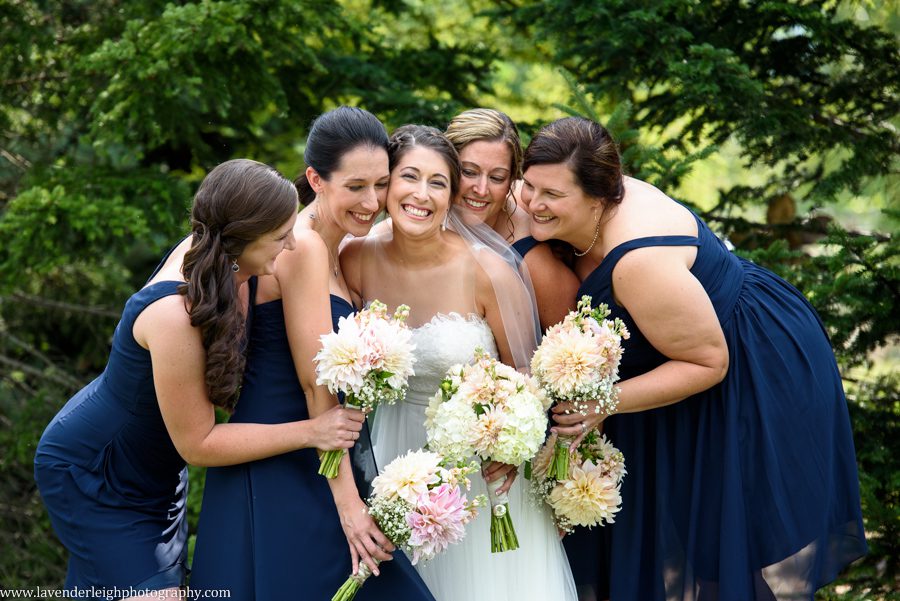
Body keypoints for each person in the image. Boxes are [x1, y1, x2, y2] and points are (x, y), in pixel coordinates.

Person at [520, 116, 868, 601]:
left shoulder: (637, 261)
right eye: (529, 185)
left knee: (717, 540)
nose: (532, 202)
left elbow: (708, 363)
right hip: (678, 353)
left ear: (598, 197)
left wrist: (604, 402)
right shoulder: (574, 193)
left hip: (745, 364)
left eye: (552, 195)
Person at [33, 159, 365, 599]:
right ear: (241, 237)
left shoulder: (228, 260)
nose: (290, 245)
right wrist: (313, 431)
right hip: (97, 472)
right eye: (279, 237)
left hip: (158, 474)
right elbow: (199, 444)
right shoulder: (174, 314)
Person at [190, 108, 434, 601]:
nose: (372, 202)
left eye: (381, 184)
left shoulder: (338, 248)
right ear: (316, 180)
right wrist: (348, 503)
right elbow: (314, 383)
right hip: (289, 460)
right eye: (356, 186)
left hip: (317, 451)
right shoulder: (302, 246)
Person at [341, 125, 577, 601]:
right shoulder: (356, 259)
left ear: (451, 197)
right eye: (409, 177)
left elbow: (528, 382)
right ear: (387, 184)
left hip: (477, 475)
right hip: (390, 459)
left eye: (438, 183)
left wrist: (510, 446)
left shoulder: (488, 271)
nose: (421, 195)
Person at [444, 108, 579, 331]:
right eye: (469, 172)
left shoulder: (531, 259)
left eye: (497, 178)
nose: (481, 189)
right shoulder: (428, 216)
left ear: (511, 182)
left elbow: (573, 341)